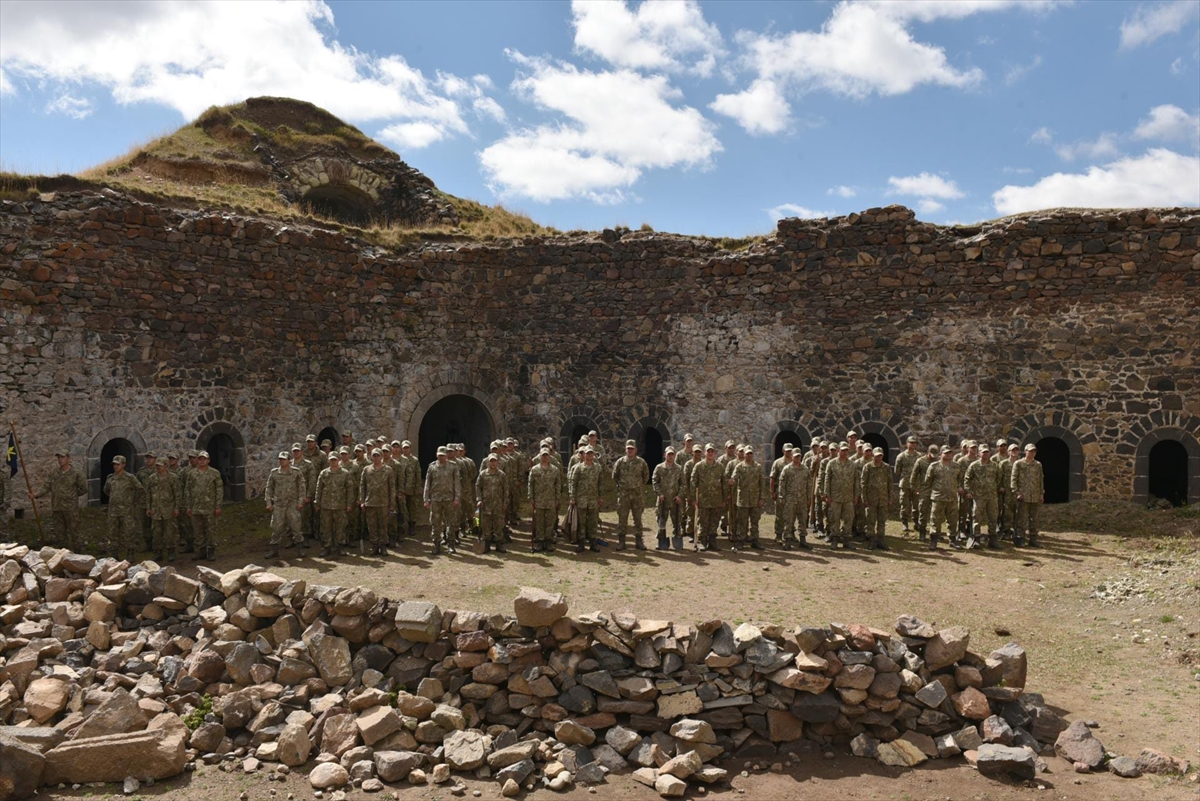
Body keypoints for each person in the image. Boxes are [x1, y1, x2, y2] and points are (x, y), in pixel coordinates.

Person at [31, 449, 87, 550]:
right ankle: (62, 555)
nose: (60, 460)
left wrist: (72, 496)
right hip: (57, 507)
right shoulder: (54, 473)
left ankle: (78, 555)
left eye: (62, 457)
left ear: (68, 458)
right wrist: (36, 495)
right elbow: (46, 486)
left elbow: (84, 488)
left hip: (70, 509)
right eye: (58, 457)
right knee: (60, 533)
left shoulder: (76, 473)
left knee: (74, 532)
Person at [265, 451, 306, 558]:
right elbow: (269, 488)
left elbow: (301, 487)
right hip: (279, 504)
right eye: (280, 459)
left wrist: (301, 501)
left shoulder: (296, 472)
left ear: (289, 460)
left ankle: (300, 549)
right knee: (277, 528)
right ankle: (274, 550)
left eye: (283, 459)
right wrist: (269, 502)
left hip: (292, 504)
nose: (281, 461)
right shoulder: (274, 473)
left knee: (296, 527)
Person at [612, 439, 650, 550]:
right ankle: (621, 541)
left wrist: (638, 485)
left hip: (637, 495)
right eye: (628, 448)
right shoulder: (620, 462)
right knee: (622, 518)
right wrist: (622, 486)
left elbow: (646, 476)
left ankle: (639, 541)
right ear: (625, 449)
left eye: (632, 449)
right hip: (624, 495)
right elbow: (615, 476)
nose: (630, 450)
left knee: (637, 518)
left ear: (636, 450)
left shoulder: (641, 462)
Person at [104, 454, 143, 561]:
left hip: (126, 510)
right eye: (114, 464)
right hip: (113, 511)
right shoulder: (110, 478)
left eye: (118, 464)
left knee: (129, 532)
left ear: (124, 465)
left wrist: (132, 501)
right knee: (113, 533)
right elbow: (107, 490)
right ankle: (114, 553)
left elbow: (139, 489)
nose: (116, 466)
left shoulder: (130, 478)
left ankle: (130, 553)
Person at [187, 450, 223, 561]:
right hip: (196, 507)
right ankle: (201, 551)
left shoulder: (214, 473)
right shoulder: (192, 473)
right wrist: (188, 506)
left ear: (208, 460)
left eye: (204, 459)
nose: (202, 461)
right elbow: (188, 490)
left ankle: (211, 551)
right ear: (197, 460)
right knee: (198, 531)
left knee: (211, 530)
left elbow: (219, 490)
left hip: (210, 507)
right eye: (200, 459)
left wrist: (218, 506)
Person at [316, 452, 353, 557]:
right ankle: (327, 547)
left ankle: (340, 547)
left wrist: (349, 504)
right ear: (328, 460)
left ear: (338, 460)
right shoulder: (324, 473)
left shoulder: (345, 473)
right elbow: (319, 489)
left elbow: (350, 489)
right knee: (326, 527)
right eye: (331, 460)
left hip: (340, 505)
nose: (333, 462)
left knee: (341, 527)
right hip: (326, 505)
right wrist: (317, 502)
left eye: (335, 460)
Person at [424, 446, 460, 555]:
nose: (441, 457)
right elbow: (427, 484)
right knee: (435, 522)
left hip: (449, 498)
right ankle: (436, 544)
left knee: (450, 522)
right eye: (439, 455)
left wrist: (457, 497)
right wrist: (426, 499)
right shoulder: (432, 467)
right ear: (436, 455)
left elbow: (457, 483)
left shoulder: (453, 467)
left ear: (446, 456)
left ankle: (451, 544)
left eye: (443, 455)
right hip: (436, 499)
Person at [144, 458, 181, 562]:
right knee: (156, 533)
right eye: (157, 465)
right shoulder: (152, 478)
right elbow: (148, 494)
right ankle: (158, 552)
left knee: (170, 533)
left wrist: (176, 508)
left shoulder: (172, 478)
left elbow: (177, 494)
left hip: (168, 510)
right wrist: (148, 507)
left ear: (166, 466)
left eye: (160, 465)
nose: (158, 467)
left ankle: (171, 552)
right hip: (156, 510)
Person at [965, 445, 1002, 549]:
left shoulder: (995, 466)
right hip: (979, 496)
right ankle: (976, 539)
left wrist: (992, 487)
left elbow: (998, 478)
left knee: (993, 517)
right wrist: (969, 491)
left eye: (987, 452)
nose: (985, 454)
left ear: (990, 453)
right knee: (977, 517)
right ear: (979, 453)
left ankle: (993, 540)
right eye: (983, 452)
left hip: (992, 496)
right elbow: (967, 479)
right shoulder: (974, 465)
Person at [731, 446, 767, 551]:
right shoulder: (739, 467)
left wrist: (762, 498)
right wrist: (732, 481)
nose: (749, 455)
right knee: (742, 521)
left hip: (755, 499)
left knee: (755, 521)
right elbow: (734, 477)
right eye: (747, 453)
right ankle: (740, 540)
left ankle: (755, 540)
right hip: (743, 499)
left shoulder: (758, 467)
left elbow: (762, 483)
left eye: (751, 453)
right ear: (744, 454)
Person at [822, 443, 857, 550]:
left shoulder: (852, 464)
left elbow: (856, 481)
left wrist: (856, 496)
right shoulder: (831, 464)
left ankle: (846, 540)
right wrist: (826, 494)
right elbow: (827, 480)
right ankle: (835, 539)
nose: (844, 452)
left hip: (848, 497)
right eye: (842, 450)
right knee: (834, 519)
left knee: (848, 518)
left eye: (846, 450)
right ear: (838, 451)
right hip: (835, 497)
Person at [691, 444, 726, 552]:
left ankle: (712, 541)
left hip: (716, 499)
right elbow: (693, 482)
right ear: (705, 453)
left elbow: (724, 483)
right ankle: (703, 541)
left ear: (715, 453)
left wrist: (724, 499)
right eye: (708, 451)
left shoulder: (720, 467)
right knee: (703, 521)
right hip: (703, 499)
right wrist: (693, 499)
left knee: (714, 521)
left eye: (712, 451)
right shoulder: (699, 466)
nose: (710, 453)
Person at [568, 446, 603, 552]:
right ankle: (581, 543)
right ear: (584, 455)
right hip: (581, 499)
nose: (589, 455)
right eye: (587, 453)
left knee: (593, 522)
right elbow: (573, 483)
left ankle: (593, 543)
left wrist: (601, 496)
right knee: (581, 522)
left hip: (593, 499)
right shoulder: (578, 468)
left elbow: (600, 483)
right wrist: (572, 497)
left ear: (593, 455)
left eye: (591, 453)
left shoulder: (597, 468)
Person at [360, 448, 394, 556]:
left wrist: (392, 504)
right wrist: (362, 500)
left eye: (377, 455)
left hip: (383, 502)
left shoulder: (388, 470)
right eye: (374, 456)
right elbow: (362, 486)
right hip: (370, 502)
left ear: (381, 456)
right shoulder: (366, 469)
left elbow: (392, 488)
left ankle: (383, 546)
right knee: (372, 526)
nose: (376, 457)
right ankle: (374, 546)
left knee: (383, 526)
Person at [777, 449, 813, 550]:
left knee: (802, 520)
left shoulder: (805, 469)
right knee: (789, 520)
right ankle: (788, 540)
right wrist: (781, 497)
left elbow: (809, 485)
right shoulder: (787, 469)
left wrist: (809, 498)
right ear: (792, 457)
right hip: (790, 499)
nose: (797, 458)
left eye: (799, 456)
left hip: (802, 499)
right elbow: (782, 484)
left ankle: (803, 540)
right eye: (795, 456)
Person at [925, 447, 960, 551]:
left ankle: (953, 540)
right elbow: (928, 481)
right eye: (946, 453)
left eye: (950, 453)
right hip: (938, 497)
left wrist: (959, 488)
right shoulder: (934, 466)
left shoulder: (956, 466)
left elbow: (959, 480)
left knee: (953, 519)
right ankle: (934, 540)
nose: (948, 454)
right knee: (935, 519)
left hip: (952, 497)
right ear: (940, 454)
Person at [528, 448, 563, 553]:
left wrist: (557, 499)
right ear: (539, 457)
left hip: (551, 500)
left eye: (546, 455)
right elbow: (530, 485)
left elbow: (558, 485)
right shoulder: (534, 470)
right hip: (538, 501)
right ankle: (539, 542)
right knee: (539, 522)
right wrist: (531, 498)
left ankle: (548, 541)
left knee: (550, 522)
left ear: (549, 457)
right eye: (543, 455)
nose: (545, 457)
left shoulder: (555, 470)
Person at [1011, 443, 1045, 547]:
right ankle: (1020, 538)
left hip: (1034, 496)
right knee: (1022, 519)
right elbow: (1013, 479)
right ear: (1025, 451)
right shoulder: (1018, 464)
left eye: (1034, 451)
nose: (1032, 453)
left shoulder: (1038, 465)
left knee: (1034, 519)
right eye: (1030, 451)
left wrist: (1041, 494)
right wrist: (1016, 492)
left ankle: (1033, 539)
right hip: (1023, 496)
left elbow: (1040, 480)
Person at [860, 447, 893, 551]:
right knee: (870, 520)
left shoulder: (886, 467)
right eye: (877, 455)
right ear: (873, 455)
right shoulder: (868, 467)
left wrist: (890, 498)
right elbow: (863, 484)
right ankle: (872, 540)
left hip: (883, 498)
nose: (879, 457)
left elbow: (890, 483)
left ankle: (880, 540)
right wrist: (864, 498)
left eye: (881, 455)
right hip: (871, 498)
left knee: (882, 520)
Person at [476, 454, 509, 553]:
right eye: (491, 461)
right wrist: (479, 499)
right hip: (486, 504)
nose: (493, 463)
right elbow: (478, 486)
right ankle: (486, 545)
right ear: (488, 462)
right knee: (486, 525)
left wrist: (505, 502)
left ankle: (499, 544)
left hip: (498, 504)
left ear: (498, 462)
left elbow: (506, 489)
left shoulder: (502, 475)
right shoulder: (483, 474)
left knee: (498, 525)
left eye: (495, 461)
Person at [652, 447, 684, 550]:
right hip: (663, 500)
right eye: (668, 454)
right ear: (665, 455)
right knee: (661, 520)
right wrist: (659, 494)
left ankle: (677, 539)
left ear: (674, 455)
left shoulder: (679, 468)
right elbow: (655, 481)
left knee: (677, 521)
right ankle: (662, 540)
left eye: (672, 454)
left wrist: (680, 495)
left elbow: (683, 484)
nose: (670, 456)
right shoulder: (659, 468)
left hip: (675, 500)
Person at [894, 436, 921, 535]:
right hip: (905, 484)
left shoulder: (919, 456)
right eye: (911, 442)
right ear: (907, 444)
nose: (913, 444)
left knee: (916, 505)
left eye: (914, 443)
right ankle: (905, 523)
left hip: (916, 485)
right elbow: (897, 471)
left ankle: (916, 522)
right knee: (904, 505)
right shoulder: (901, 456)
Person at [769, 444, 794, 541]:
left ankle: (790, 533)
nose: (789, 452)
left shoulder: (795, 461)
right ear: (783, 451)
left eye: (790, 451)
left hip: (792, 493)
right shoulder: (778, 463)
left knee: (791, 514)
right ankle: (778, 534)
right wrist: (772, 492)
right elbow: (772, 478)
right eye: (787, 451)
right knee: (779, 515)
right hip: (780, 492)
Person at [136, 452, 159, 551]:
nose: (149, 460)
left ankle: (157, 545)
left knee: (156, 525)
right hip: (143, 502)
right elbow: (136, 486)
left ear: (155, 459)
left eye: (151, 458)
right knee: (145, 524)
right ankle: (148, 544)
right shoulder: (141, 472)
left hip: (156, 502)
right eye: (147, 458)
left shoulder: (159, 471)